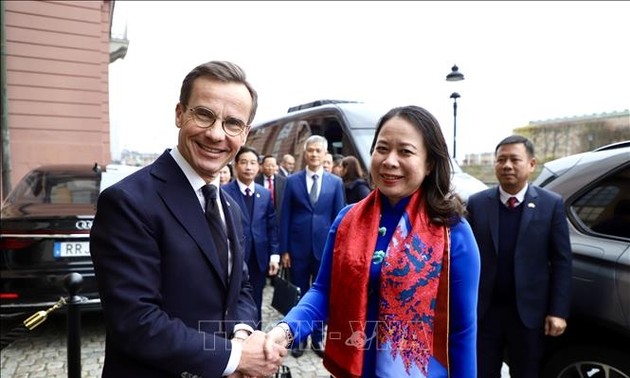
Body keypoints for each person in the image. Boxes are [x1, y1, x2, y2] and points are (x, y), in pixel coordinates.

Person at [90, 60, 286, 378]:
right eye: (204, 114)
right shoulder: (128, 201)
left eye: (233, 123)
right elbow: (136, 321)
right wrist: (236, 357)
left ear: (245, 132)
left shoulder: (229, 207)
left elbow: (242, 288)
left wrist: (241, 334)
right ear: (180, 113)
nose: (216, 134)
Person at [265, 105, 481, 377]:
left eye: (405, 151)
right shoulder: (347, 221)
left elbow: (462, 330)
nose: (390, 160)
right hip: (355, 368)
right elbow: (323, 291)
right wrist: (286, 330)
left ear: (429, 164)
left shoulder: (453, 233)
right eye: (382, 148)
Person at [466, 135, 572, 378]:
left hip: (529, 314)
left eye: (515, 159)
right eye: (501, 159)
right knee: (481, 372)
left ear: (531, 164)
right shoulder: (478, 203)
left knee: (526, 372)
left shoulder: (550, 204)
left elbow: (561, 261)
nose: (507, 166)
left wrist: (558, 311)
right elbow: (465, 258)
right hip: (485, 312)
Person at [278, 135, 346, 358]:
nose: (314, 154)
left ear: (325, 154)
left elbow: (341, 217)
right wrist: (284, 250)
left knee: (324, 294)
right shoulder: (292, 181)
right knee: (299, 294)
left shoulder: (335, 183)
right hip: (297, 248)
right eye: (311, 151)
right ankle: (298, 339)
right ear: (305, 153)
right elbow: (285, 216)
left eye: (318, 151)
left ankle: (318, 339)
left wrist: (339, 250)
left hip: (326, 249)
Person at [222, 146, 280, 329]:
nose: (249, 167)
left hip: (259, 257)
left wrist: (274, 255)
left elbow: (271, 226)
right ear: (236, 165)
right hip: (234, 257)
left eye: (253, 163)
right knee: (233, 298)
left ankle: (256, 332)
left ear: (259, 167)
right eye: (244, 162)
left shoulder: (264, 193)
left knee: (256, 298)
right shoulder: (224, 191)